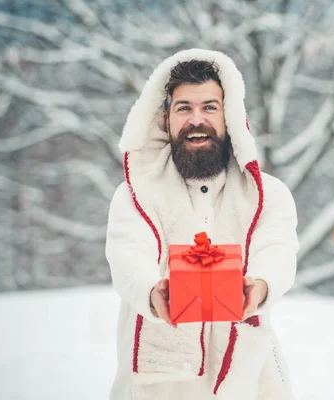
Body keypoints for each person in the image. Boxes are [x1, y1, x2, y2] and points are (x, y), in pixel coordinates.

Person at [105, 49, 299, 400]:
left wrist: (260, 286)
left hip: (248, 380)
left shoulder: (268, 193)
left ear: (231, 115)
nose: (197, 119)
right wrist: (151, 291)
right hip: (156, 386)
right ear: (166, 118)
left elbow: (278, 248)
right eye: (184, 108)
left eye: (210, 107)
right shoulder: (134, 193)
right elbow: (127, 253)